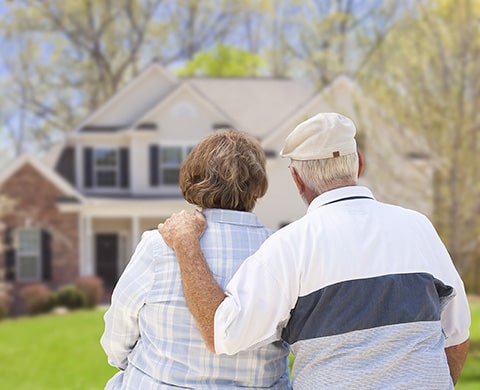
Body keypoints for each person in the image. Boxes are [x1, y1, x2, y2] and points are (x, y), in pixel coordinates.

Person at [158, 112, 471, 389]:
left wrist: (187, 245)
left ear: (296, 179)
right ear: (358, 163)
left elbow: (222, 333)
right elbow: (456, 336)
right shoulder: (418, 227)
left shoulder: (290, 246)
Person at [101, 130, 291, 389]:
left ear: (194, 179)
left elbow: (118, 334)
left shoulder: (158, 246)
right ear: (258, 185)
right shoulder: (282, 251)